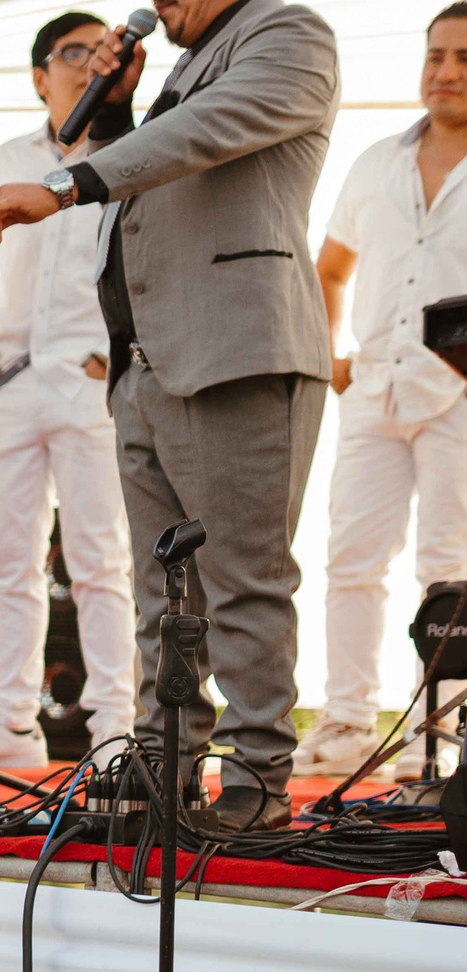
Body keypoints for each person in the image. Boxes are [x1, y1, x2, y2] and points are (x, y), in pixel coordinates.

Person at [0, 0, 338, 831]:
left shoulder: (288, 34)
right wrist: (126, 104)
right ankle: (162, 768)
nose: (157, 3)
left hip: (239, 349)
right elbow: (158, 176)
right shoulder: (178, 64)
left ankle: (256, 781)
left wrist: (65, 185)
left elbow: (204, 136)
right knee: (162, 595)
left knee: (244, 581)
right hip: (145, 361)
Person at [0, 11, 141, 768]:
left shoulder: (129, 152)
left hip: (91, 375)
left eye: (98, 51)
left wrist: (117, 351)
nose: (86, 63)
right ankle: (12, 722)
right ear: (40, 75)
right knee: (9, 561)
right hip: (10, 376)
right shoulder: (7, 152)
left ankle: (112, 729)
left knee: (100, 558)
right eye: (71, 52)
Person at [295, 3, 467, 781]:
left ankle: (447, 730)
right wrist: (330, 355)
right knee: (351, 559)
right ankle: (345, 721)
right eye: (436, 55)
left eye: (464, 58)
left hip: (458, 396)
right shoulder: (373, 161)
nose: (447, 71)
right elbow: (329, 268)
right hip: (370, 388)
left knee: (451, 565)